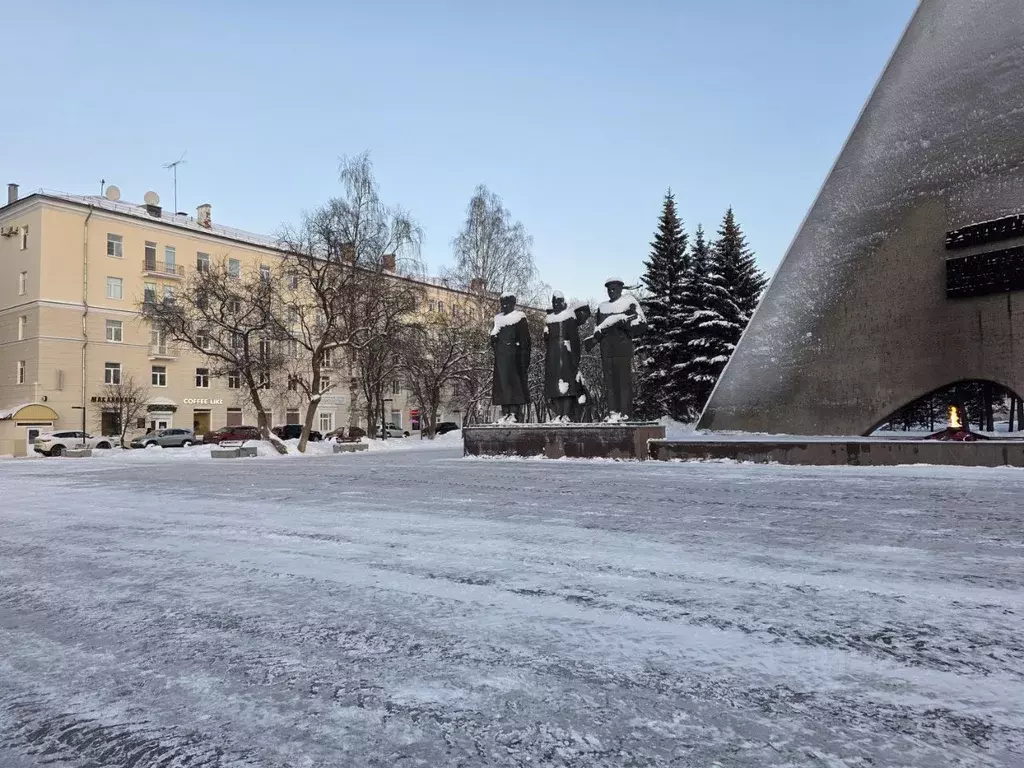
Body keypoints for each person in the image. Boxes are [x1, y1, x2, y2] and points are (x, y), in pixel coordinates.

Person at [586, 278, 647, 420]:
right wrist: (598, 334)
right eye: (608, 289)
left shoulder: (629, 302)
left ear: (621, 288)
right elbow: (598, 329)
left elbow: (642, 325)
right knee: (609, 385)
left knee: (623, 383)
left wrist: (624, 325)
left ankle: (625, 413)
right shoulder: (602, 307)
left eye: (614, 288)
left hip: (622, 351)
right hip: (606, 352)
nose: (611, 291)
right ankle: (612, 412)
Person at [543, 291, 591, 421]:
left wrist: (575, 358)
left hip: (566, 355)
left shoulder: (569, 317)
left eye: (559, 301)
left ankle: (566, 413)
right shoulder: (549, 319)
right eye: (554, 302)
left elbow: (574, 339)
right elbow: (547, 341)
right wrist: (546, 336)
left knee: (568, 387)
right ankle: (559, 414)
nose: (556, 304)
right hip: (552, 357)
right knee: (555, 387)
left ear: (563, 302)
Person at [490, 292, 531, 422]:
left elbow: (525, 341)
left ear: (513, 304)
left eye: (507, 303)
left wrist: (524, 359)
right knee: (502, 386)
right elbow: (494, 337)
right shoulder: (498, 319)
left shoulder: (519, 318)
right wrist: (494, 339)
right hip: (501, 358)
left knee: (514, 385)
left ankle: (513, 413)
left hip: (514, 358)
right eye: (502, 304)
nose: (504, 306)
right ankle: (505, 412)